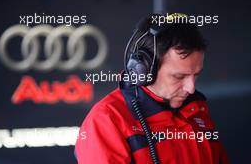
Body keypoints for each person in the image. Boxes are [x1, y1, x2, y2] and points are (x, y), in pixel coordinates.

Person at [75, 13, 229, 164]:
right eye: (179, 77)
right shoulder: (107, 121)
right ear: (144, 70)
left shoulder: (196, 110)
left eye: (196, 75)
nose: (191, 88)